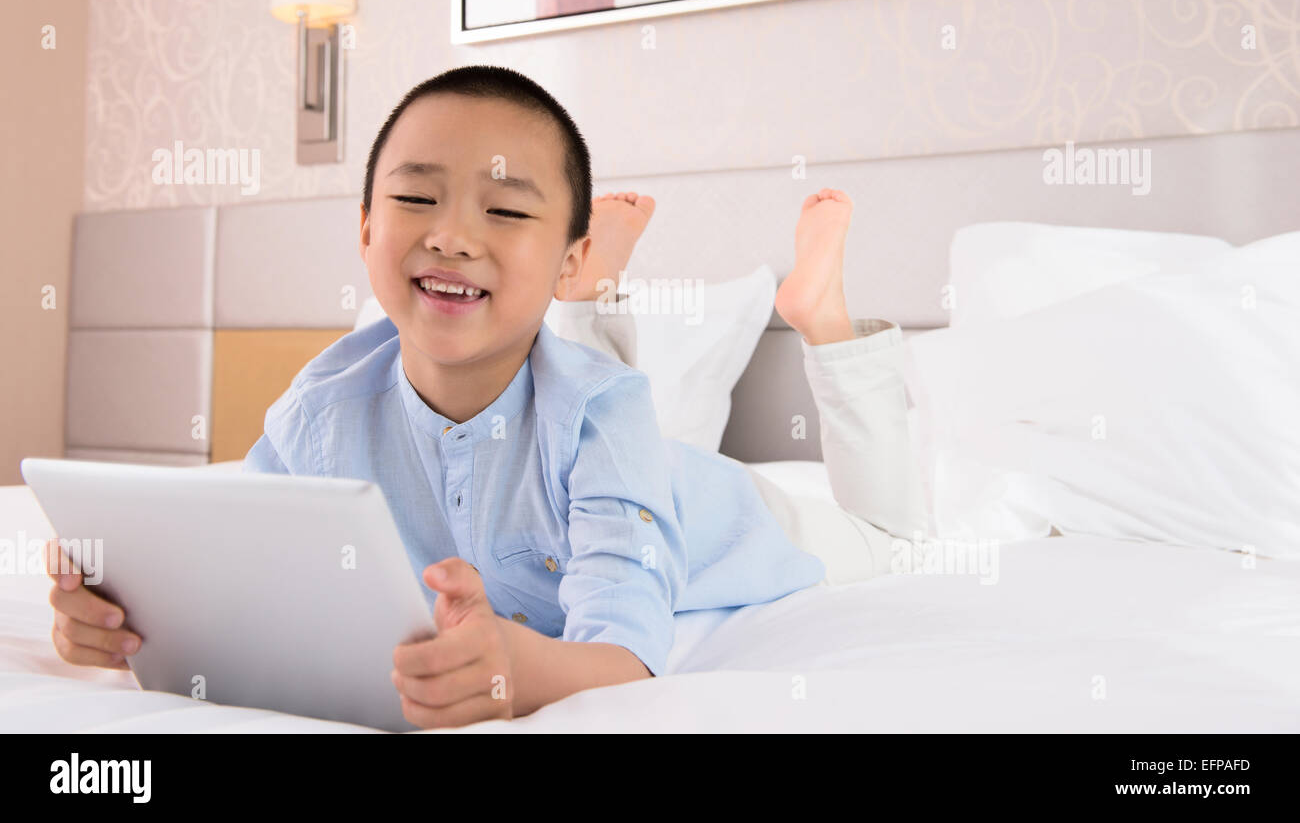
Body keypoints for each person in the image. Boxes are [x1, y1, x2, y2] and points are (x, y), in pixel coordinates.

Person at [45, 66, 924, 729]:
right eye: (417, 196)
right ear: (364, 229)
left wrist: (518, 665)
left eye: (505, 212)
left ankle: (823, 317)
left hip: (723, 518)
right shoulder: (323, 406)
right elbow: (236, 545)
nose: (452, 233)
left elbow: (624, 657)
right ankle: (590, 298)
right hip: (572, 407)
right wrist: (121, 606)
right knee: (561, 373)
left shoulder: (603, 420)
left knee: (894, 539)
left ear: (560, 250)